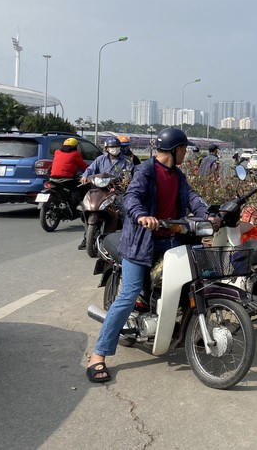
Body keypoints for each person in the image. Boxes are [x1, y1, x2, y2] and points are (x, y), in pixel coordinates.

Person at [86, 127, 218, 383]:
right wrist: (141, 216)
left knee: (194, 279)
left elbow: (193, 198)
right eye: (184, 150)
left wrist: (209, 214)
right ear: (175, 149)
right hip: (141, 243)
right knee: (129, 293)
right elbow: (132, 198)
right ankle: (98, 355)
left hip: (170, 239)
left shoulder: (178, 176)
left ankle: (193, 329)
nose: (186, 154)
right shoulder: (145, 171)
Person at [77, 137, 134, 251]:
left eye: (116, 147)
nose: (114, 149)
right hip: (100, 189)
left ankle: (126, 239)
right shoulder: (100, 159)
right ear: (107, 148)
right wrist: (84, 176)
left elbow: (129, 175)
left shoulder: (126, 161)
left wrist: (125, 180)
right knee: (85, 208)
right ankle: (86, 237)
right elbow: (90, 169)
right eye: (112, 147)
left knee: (124, 211)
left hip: (117, 191)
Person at [50, 137, 89, 211]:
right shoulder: (75, 154)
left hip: (52, 178)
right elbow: (83, 166)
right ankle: (77, 205)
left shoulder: (57, 152)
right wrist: (90, 171)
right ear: (75, 147)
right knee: (78, 188)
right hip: (66, 179)